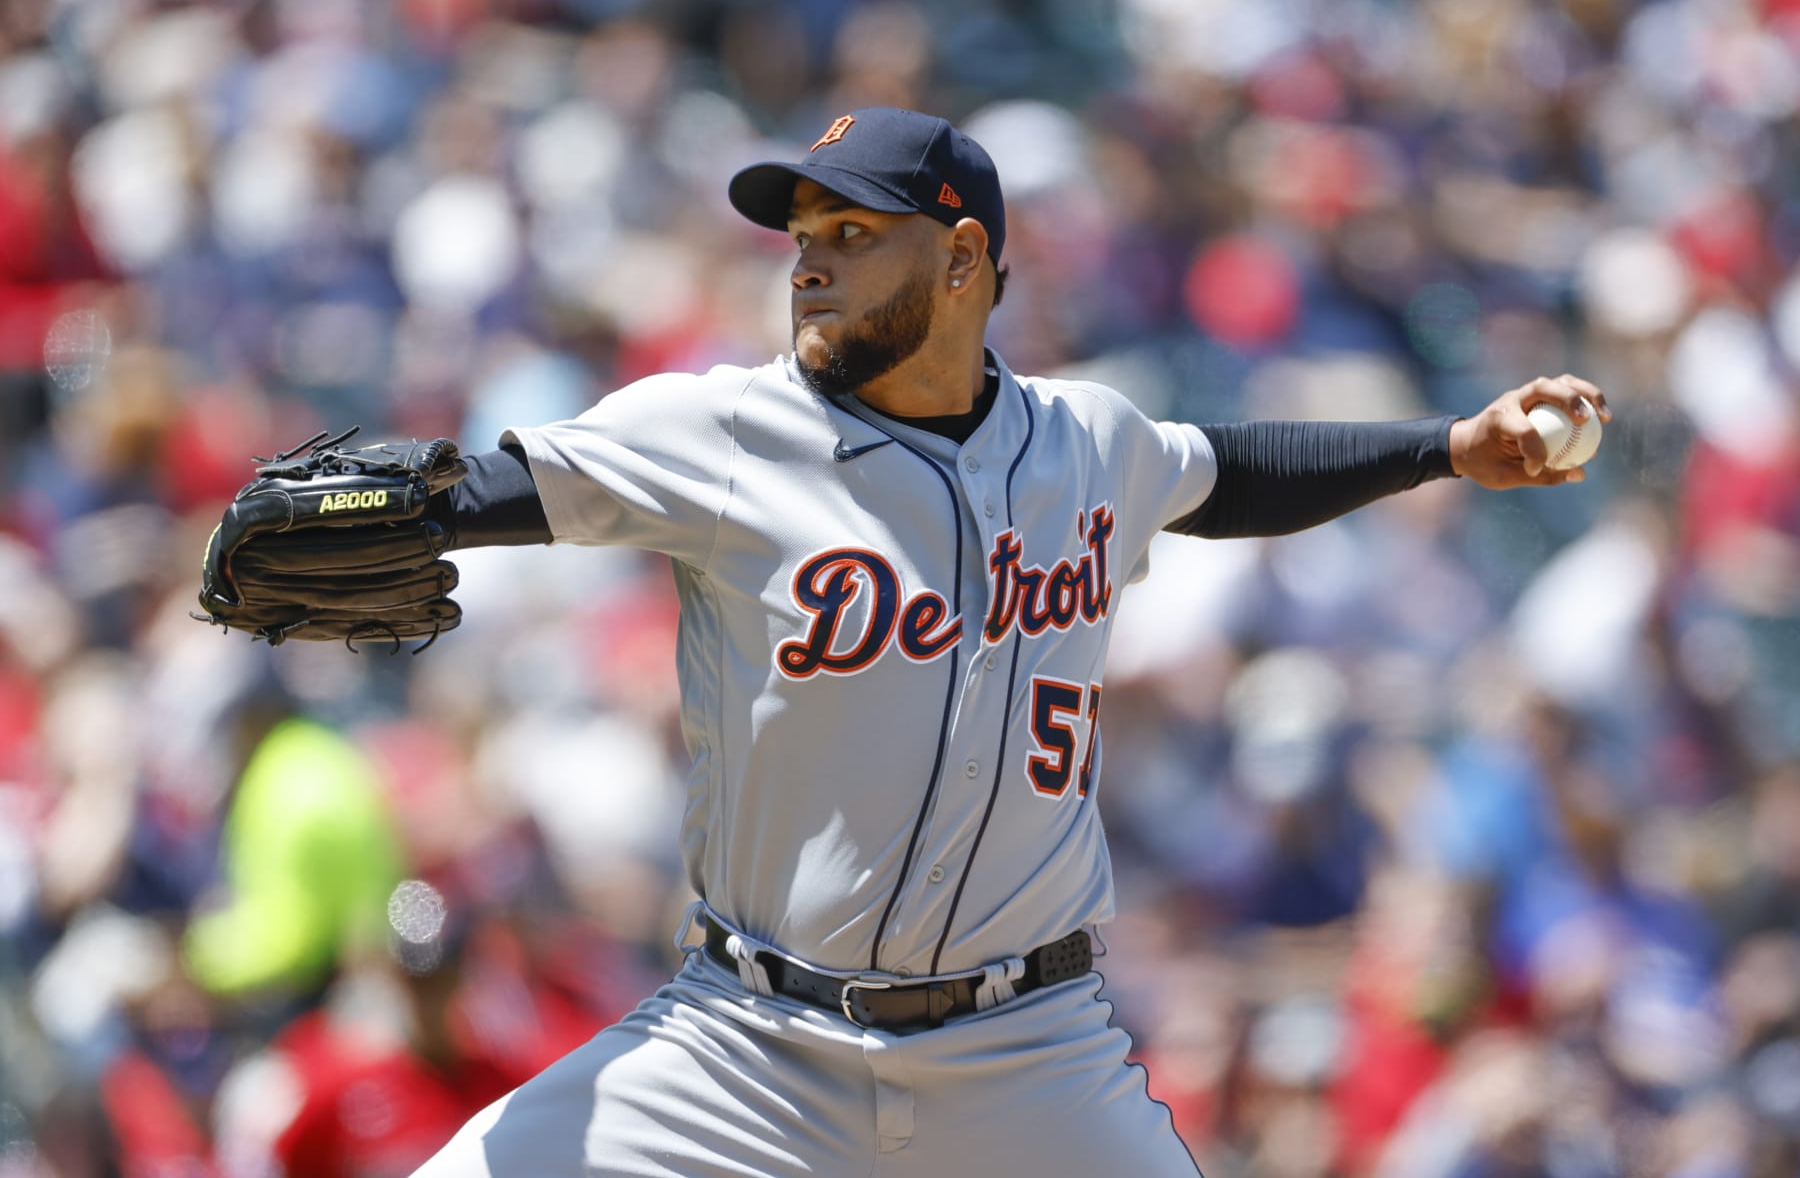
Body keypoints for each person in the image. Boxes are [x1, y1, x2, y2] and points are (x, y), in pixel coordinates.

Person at [321, 106, 1603, 1176]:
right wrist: (361, 506)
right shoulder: (722, 432)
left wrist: (1446, 448)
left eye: (853, 232)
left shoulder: (1085, 443)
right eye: (803, 235)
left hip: (1028, 1055)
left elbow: (1237, 470)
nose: (808, 261)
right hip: (750, 1045)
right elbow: (491, 488)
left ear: (962, 258)